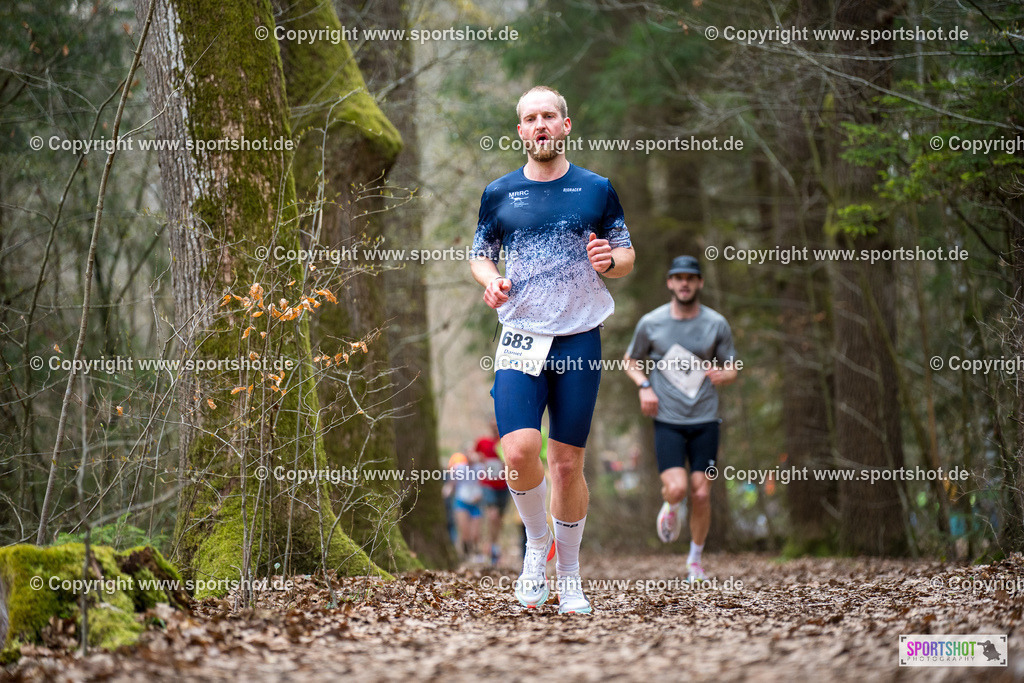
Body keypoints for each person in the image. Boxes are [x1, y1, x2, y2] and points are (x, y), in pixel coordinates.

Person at [470, 85, 635, 614]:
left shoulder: (596, 188)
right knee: (517, 451)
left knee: (566, 464)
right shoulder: (499, 193)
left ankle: (570, 577)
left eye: (549, 117)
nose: (540, 125)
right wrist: (490, 280)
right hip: (520, 334)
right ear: (519, 131)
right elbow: (480, 254)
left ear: (566, 125)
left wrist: (611, 261)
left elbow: (626, 255)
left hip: (579, 335)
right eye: (530, 118)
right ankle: (536, 546)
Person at [623, 255, 738, 581]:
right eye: (678, 278)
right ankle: (672, 506)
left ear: (699, 283)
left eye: (691, 277)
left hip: (705, 420)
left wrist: (723, 374)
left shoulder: (716, 323)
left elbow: (732, 367)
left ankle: (695, 562)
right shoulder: (652, 323)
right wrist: (645, 386)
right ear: (670, 283)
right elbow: (630, 361)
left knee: (701, 493)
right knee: (677, 488)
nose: (684, 283)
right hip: (668, 420)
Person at [476, 422, 510, 565]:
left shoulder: (506, 442)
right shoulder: (483, 442)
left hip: (505, 484)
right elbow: (474, 454)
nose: (495, 427)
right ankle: (488, 547)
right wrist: (479, 460)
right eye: (493, 425)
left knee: (499, 519)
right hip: (487, 484)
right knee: (492, 515)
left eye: (497, 425)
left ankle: (494, 547)